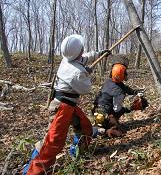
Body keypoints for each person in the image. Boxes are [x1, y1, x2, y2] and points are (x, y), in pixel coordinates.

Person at [21, 34, 110, 175]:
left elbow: (85, 58)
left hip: (69, 106)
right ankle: (30, 171)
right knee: (52, 143)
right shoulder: (76, 72)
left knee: (84, 128)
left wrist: (100, 54)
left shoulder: (68, 59)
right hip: (61, 107)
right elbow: (85, 89)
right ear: (78, 51)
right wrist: (86, 73)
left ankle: (78, 153)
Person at [92, 56, 148, 137]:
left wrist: (135, 92)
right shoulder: (119, 92)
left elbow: (124, 87)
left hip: (96, 110)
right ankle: (104, 130)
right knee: (118, 132)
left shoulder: (109, 81)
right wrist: (129, 109)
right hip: (104, 116)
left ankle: (103, 126)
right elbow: (117, 109)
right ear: (123, 75)